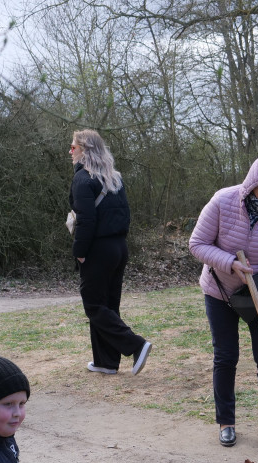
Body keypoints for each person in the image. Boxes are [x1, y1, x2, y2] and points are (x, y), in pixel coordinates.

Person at [190, 154, 258, 450]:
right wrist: (229, 264)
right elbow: (197, 244)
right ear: (252, 184)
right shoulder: (223, 201)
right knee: (226, 356)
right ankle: (226, 422)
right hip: (220, 290)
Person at [69, 129, 152, 376]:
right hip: (118, 247)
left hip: (98, 249)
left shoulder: (83, 180)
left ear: (85, 150)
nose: (70, 151)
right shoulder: (114, 178)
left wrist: (80, 252)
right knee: (108, 306)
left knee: (94, 305)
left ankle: (136, 345)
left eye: (73, 147)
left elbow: (86, 219)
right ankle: (106, 362)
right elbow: (125, 215)